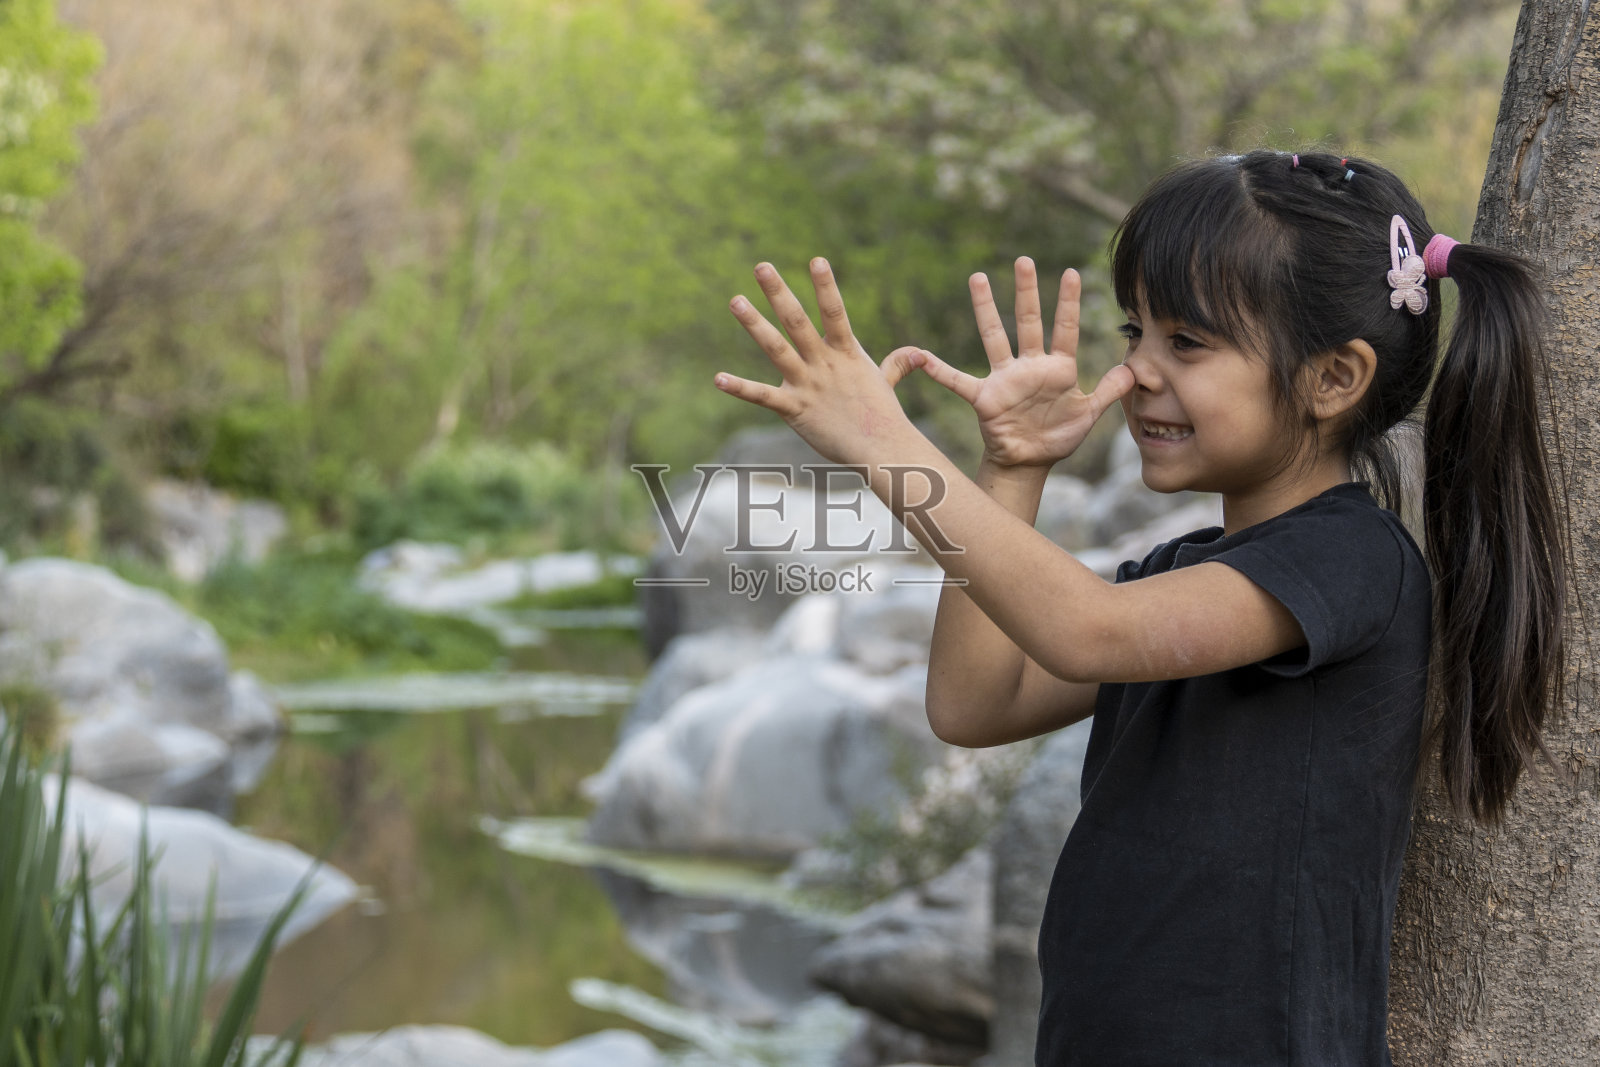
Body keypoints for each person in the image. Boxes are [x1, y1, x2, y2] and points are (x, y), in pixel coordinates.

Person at [713, 149, 1566, 1065]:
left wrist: (890, 447)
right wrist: (1012, 471)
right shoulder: (1179, 571)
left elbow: (1086, 630)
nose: (1134, 374)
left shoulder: (1352, 559)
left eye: (1187, 343)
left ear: (1333, 378)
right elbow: (972, 703)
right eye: (1135, 334)